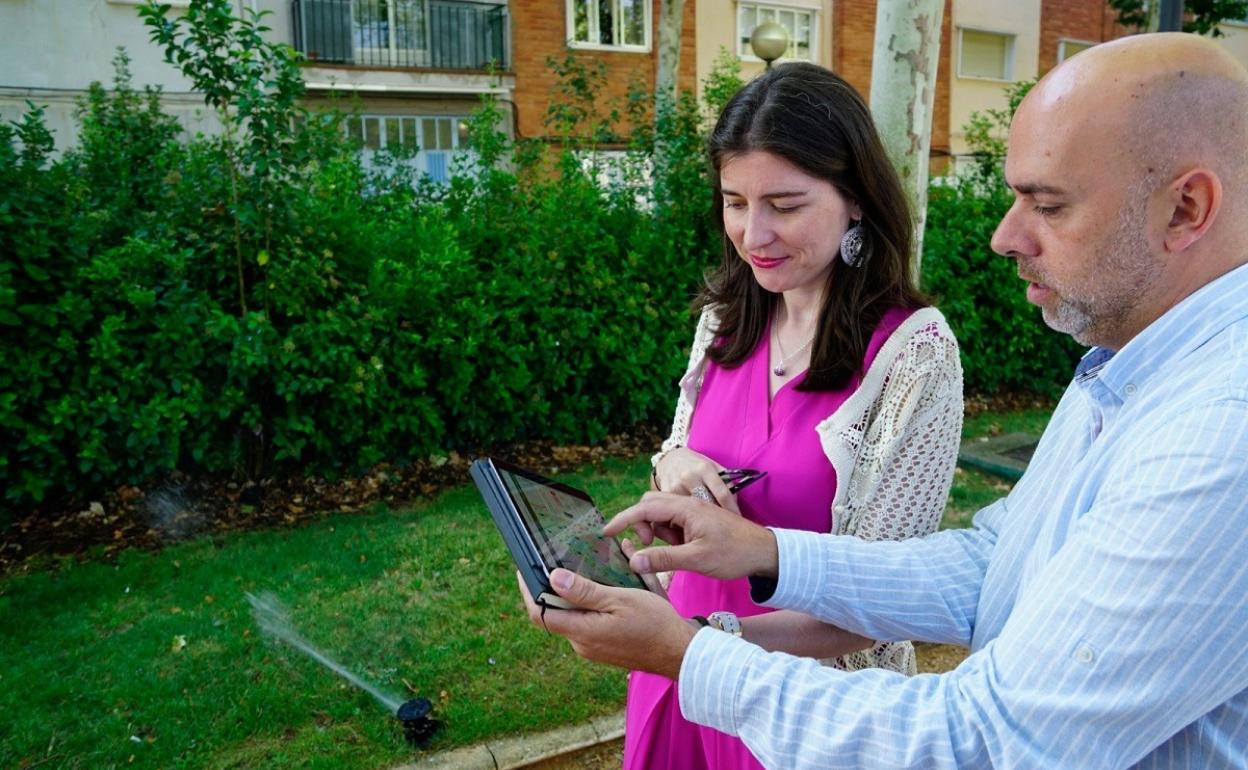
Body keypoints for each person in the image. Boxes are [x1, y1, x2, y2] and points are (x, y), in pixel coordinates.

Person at [520, 33, 1248, 769]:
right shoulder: (1126, 372)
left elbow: (991, 742)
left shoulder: (1219, 433)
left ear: (1186, 208)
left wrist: (696, 650)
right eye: (735, 202)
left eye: (1047, 205)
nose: (1003, 236)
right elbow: (995, 564)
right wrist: (764, 552)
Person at [622, 63, 964, 769]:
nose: (754, 234)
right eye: (735, 202)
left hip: (802, 707)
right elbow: (681, 446)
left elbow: (883, 600)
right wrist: (672, 464)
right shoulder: (726, 314)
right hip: (678, 672)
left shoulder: (916, 355)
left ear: (857, 200)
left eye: (784, 204)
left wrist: (702, 642)